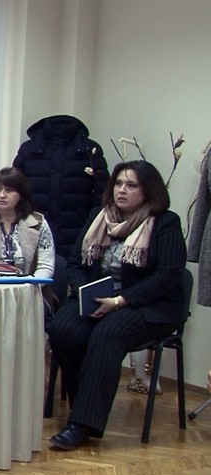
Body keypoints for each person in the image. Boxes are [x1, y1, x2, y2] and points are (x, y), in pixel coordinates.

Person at [48, 160, 186, 451]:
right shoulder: (99, 216)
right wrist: (86, 293)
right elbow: (76, 262)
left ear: (149, 191)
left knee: (107, 333)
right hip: (99, 297)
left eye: (131, 185)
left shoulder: (165, 222)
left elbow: (167, 277)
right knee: (63, 328)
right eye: (119, 183)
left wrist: (120, 301)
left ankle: (81, 424)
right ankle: (84, 407)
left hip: (148, 305)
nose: (122, 190)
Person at [13, 114, 109, 258]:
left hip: (78, 229)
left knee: (70, 267)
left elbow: (102, 195)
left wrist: (93, 225)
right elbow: (12, 188)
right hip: (33, 226)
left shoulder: (89, 150)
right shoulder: (29, 149)